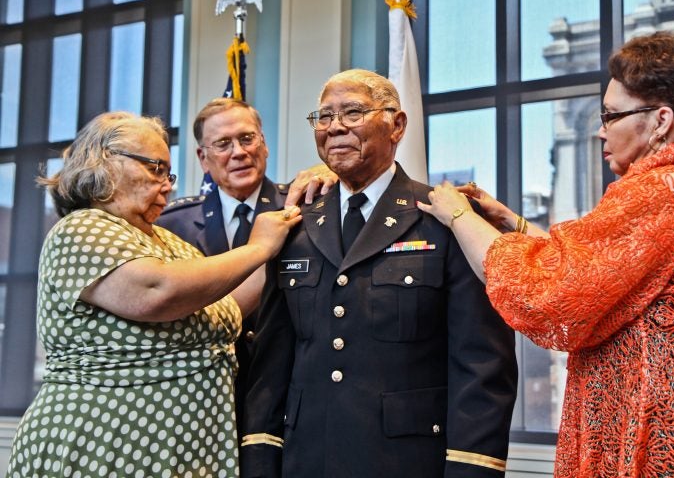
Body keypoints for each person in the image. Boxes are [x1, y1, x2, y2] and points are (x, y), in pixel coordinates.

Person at [418, 30, 674, 476]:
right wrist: (514, 224)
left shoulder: (659, 192)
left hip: (668, 447)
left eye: (611, 114)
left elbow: (547, 295)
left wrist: (456, 216)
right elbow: (609, 274)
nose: (601, 129)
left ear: (661, 121)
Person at [240, 69, 518, 478]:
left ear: (397, 125)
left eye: (352, 112)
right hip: (306, 458)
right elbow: (272, 362)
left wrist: (471, 469)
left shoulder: (447, 217)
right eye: (323, 117)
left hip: (407, 462)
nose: (334, 127)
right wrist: (262, 458)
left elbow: (481, 363)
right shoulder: (294, 224)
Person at [6, 111, 301, 477]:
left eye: (168, 172)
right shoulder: (80, 228)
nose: (167, 185)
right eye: (155, 168)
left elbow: (227, 305)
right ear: (106, 161)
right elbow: (156, 292)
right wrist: (258, 248)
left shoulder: (164, 240)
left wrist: (296, 219)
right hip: (101, 448)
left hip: (178, 453)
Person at [155, 98, 336, 453]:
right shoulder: (170, 225)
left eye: (247, 138)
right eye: (223, 144)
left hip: (288, 396)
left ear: (264, 144)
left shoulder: (306, 205)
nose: (238, 152)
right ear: (202, 158)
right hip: (201, 402)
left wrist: (333, 172)